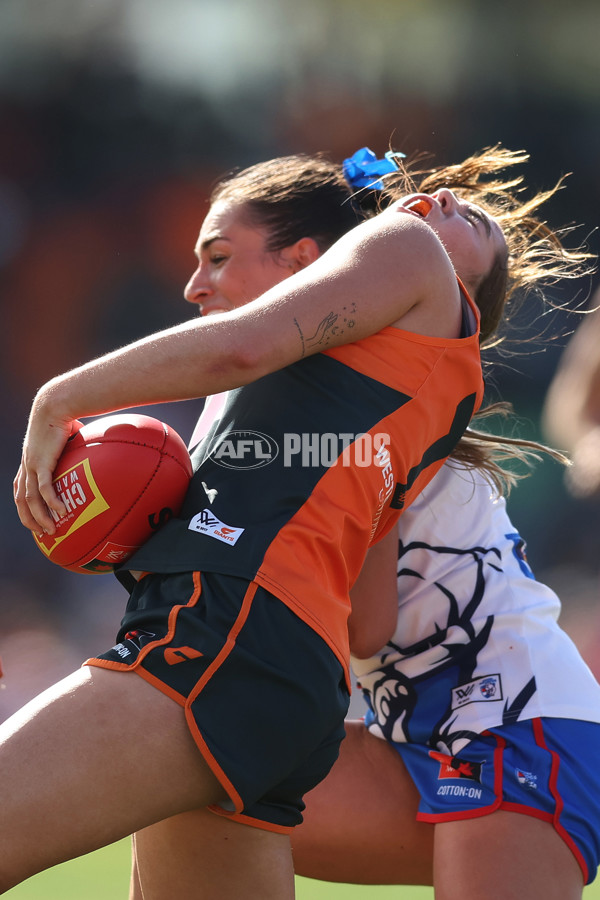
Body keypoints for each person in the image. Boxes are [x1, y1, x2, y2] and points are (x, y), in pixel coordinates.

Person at [6, 146, 588, 898]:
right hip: (291, 684)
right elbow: (366, 627)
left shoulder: (401, 256)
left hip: (250, 648)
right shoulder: (381, 398)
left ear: (310, 259)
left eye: (216, 256)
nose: (192, 286)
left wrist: (58, 400)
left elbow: (242, 345)